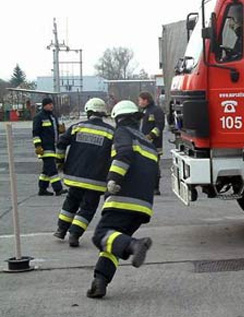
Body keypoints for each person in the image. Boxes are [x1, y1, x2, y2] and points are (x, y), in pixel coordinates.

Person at [87, 100, 158, 299]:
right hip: (143, 206)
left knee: (100, 235)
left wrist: (113, 180)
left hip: (123, 199)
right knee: (113, 243)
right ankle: (100, 282)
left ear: (118, 118)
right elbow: (155, 174)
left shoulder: (122, 133)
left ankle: (136, 245)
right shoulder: (147, 142)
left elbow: (124, 154)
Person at [53, 98, 114, 247]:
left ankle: (61, 230)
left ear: (88, 111)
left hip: (75, 175)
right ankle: (74, 235)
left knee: (71, 201)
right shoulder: (111, 132)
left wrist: (60, 162)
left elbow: (61, 143)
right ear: (103, 113)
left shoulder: (77, 127)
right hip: (97, 179)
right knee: (87, 208)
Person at [32, 97, 66, 196]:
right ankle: (58, 189)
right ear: (44, 105)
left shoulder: (53, 117)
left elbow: (54, 131)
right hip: (44, 148)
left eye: (52, 104)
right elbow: (35, 133)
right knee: (52, 169)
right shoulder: (39, 117)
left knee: (46, 170)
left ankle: (42, 189)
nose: (51, 106)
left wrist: (61, 130)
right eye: (49, 104)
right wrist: (38, 146)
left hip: (53, 146)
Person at [138, 91, 165, 195]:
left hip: (154, 145)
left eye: (140, 100)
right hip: (143, 144)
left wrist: (150, 136)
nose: (139, 102)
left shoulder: (157, 111)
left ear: (146, 100)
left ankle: (155, 188)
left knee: (154, 166)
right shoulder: (144, 111)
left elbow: (159, 126)